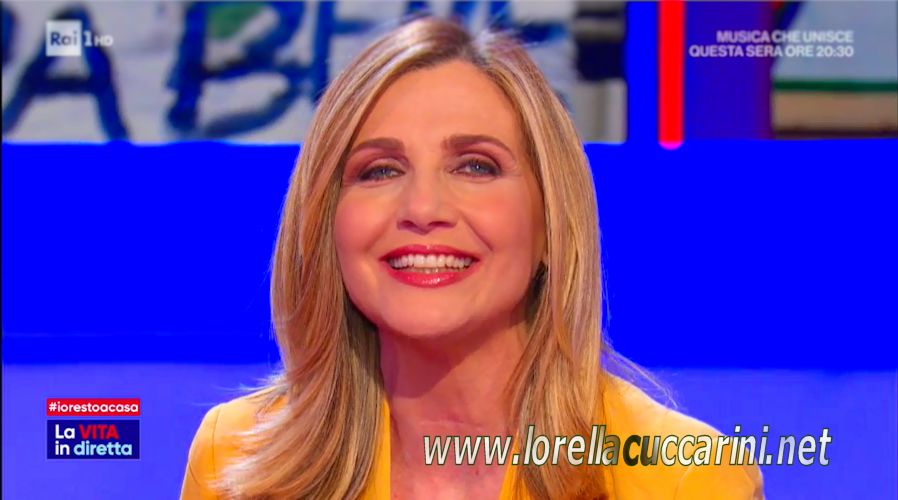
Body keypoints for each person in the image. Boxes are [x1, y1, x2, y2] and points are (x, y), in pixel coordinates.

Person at [180, 17, 764, 499]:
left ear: (549, 222)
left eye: (476, 166)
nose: (422, 208)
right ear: (326, 219)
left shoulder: (682, 481)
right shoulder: (235, 459)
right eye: (379, 170)